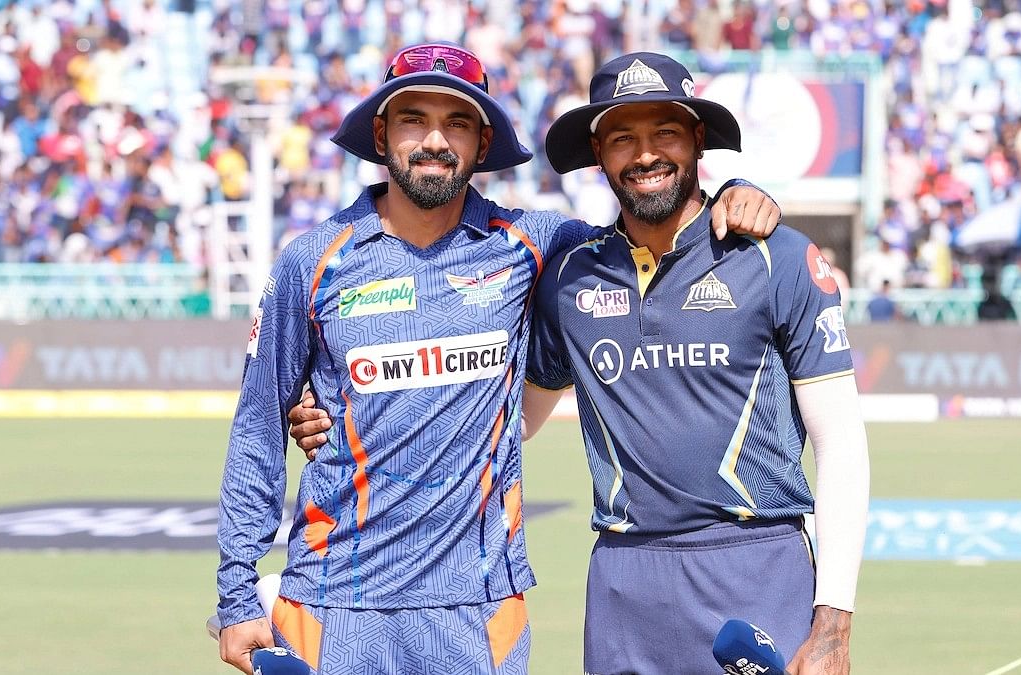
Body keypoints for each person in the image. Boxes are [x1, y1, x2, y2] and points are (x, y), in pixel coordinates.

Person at [292, 53, 868, 675]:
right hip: (622, 581)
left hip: (755, 563)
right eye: (622, 137)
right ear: (597, 152)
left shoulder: (776, 257)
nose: (645, 155)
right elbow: (512, 419)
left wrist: (834, 622)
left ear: (699, 139)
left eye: (666, 133)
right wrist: (342, 409)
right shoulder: (570, 270)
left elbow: (841, 443)